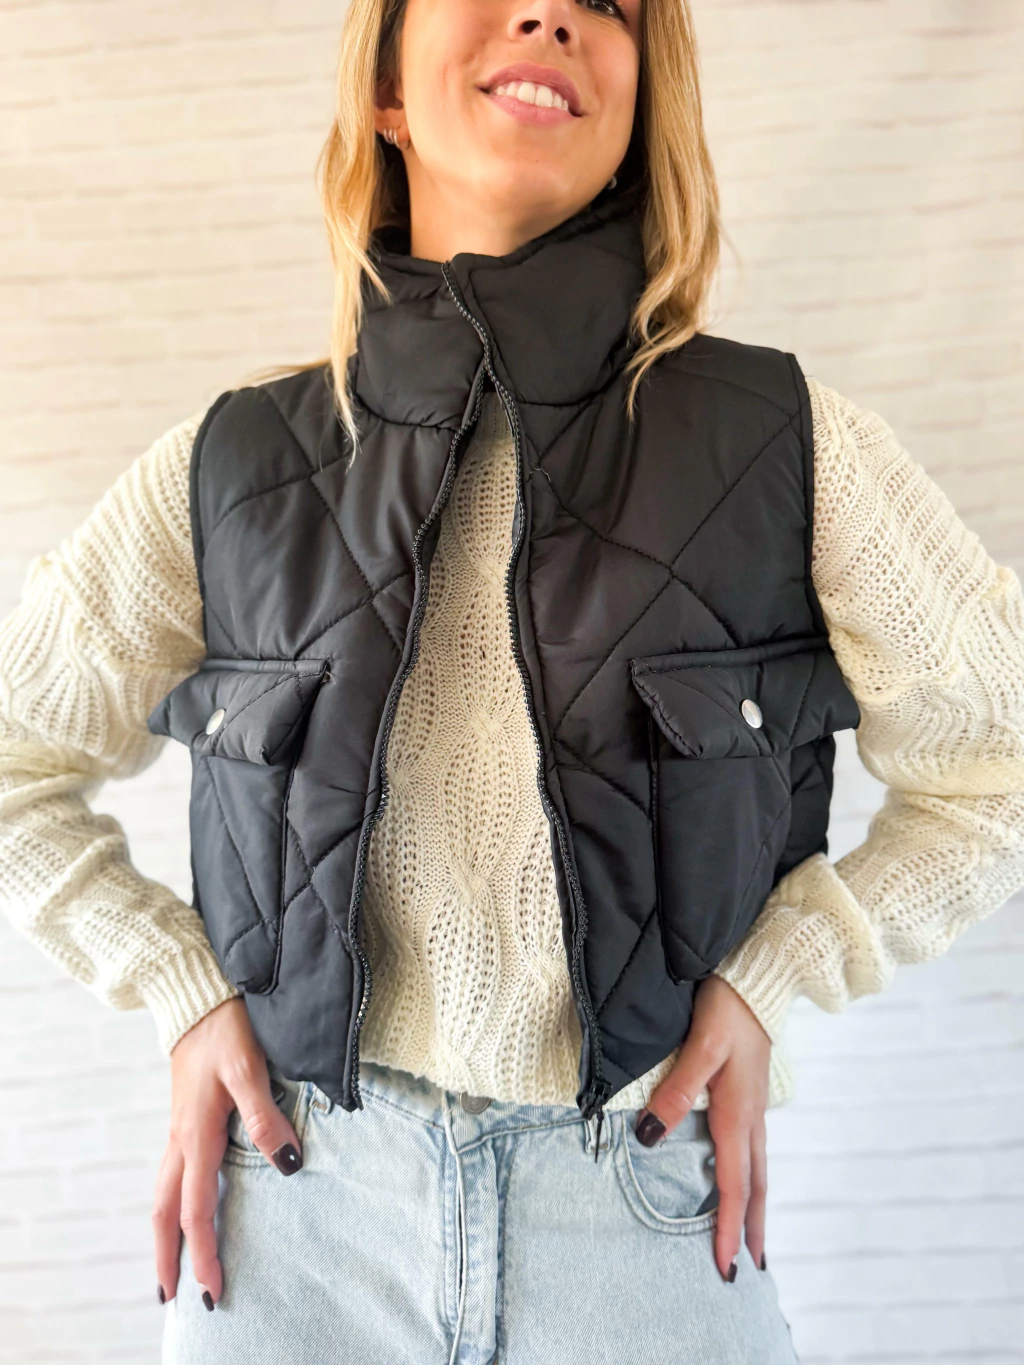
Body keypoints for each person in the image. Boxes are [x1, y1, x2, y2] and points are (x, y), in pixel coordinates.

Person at [2, 0, 1022, 1361]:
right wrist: (179, 995)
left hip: (641, 1212)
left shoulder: (785, 447)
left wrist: (781, 975)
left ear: (642, 107)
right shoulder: (233, 467)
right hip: (294, 1222)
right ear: (384, 88)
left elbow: (999, 758)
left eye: (606, 4)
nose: (549, 14)